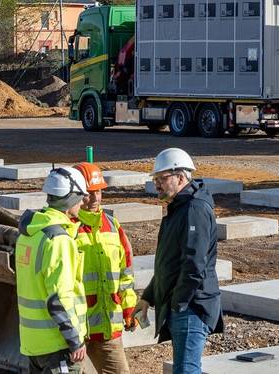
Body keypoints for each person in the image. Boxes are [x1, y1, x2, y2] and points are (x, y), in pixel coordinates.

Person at [133, 148, 222, 374]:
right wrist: (149, 297)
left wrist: (179, 303)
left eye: (162, 178)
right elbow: (169, 263)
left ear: (181, 177)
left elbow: (194, 265)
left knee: (186, 370)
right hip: (182, 305)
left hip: (192, 306)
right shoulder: (178, 208)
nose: (157, 184)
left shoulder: (195, 209)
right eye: (156, 179)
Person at [14, 166, 89, 374]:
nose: (83, 202)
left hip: (33, 343)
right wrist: (74, 340)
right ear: (70, 199)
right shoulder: (59, 240)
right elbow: (59, 297)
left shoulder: (29, 234)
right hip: (57, 344)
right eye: (81, 197)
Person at [74, 162, 138, 374]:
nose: (94, 199)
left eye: (98, 192)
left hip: (108, 327)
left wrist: (129, 308)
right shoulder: (67, 228)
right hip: (75, 332)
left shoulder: (112, 226)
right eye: (87, 194)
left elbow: (125, 272)